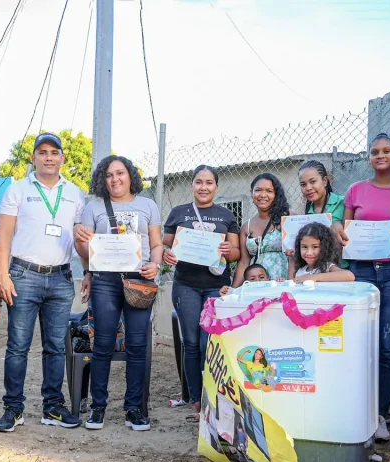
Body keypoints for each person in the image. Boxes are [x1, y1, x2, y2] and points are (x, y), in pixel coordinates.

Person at [0, 133, 84, 432]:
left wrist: (90, 271)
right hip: (23, 275)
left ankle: (52, 407)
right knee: (17, 346)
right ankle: (13, 408)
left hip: (61, 278)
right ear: (33, 158)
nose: (48, 157)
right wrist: (2, 274)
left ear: (62, 158)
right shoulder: (18, 191)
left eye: (54, 152)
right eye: (42, 152)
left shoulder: (75, 193)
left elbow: (81, 239)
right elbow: (3, 236)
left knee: (56, 347)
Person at [74, 155, 163, 431]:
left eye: (120, 173)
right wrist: (84, 254)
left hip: (139, 279)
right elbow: (84, 251)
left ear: (130, 175)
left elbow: (157, 244)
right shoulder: (93, 208)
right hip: (104, 280)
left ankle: (133, 408)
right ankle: (98, 408)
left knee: (137, 345)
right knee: (102, 344)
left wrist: (155, 265)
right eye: (109, 175)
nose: (115, 179)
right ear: (103, 179)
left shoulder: (148, 205)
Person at [341, 133, 390, 441]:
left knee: (388, 347)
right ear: (368, 157)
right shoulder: (356, 190)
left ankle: (380, 415)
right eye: (374, 152)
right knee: (358, 343)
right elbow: (344, 230)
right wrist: (340, 232)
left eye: (386, 151)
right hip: (361, 272)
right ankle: (354, 410)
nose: (380, 155)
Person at [163, 165, 241, 421]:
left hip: (216, 287)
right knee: (192, 342)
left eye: (209, 183)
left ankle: (213, 396)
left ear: (216, 187)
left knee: (211, 342)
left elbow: (237, 254)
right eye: (199, 182)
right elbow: (163, 247)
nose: (204, 187)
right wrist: (166, 254)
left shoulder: (226, 215)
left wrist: (229, 249)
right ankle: (196, 400)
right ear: (192, 185)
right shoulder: (178, 213)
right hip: (185, 284)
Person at [234, 173, 291, 284]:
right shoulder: (247, 226)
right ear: (251, 193)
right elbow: (244, 263)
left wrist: (292, 281)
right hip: (256, 284)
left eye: (269, 191)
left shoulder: (288, 218)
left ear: (276, 194)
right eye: (258, 190)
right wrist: (233, 290)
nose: (263, 195)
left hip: (283, 280)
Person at [293, 160, 346, 277]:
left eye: (313, 182)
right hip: (317, 271)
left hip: (341, 269)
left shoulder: (343, 203)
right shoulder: (306, 214)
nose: (308, 188)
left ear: (325, 180)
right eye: (303, 184)